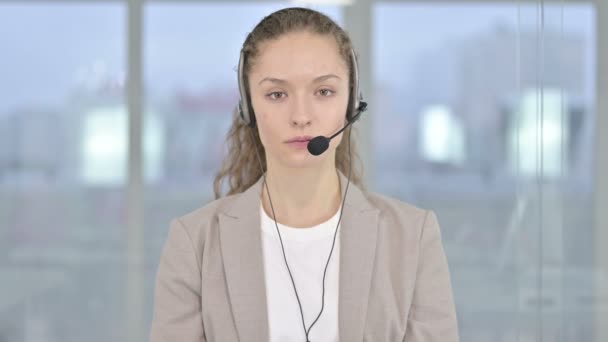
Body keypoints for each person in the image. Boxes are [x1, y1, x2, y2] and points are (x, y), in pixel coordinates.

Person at [150, 7, 458, 342]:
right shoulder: (194, 244)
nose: (301, 116)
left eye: (323, 92)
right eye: (277, 94)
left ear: (351, 104)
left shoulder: (412, 238)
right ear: (249, 108)